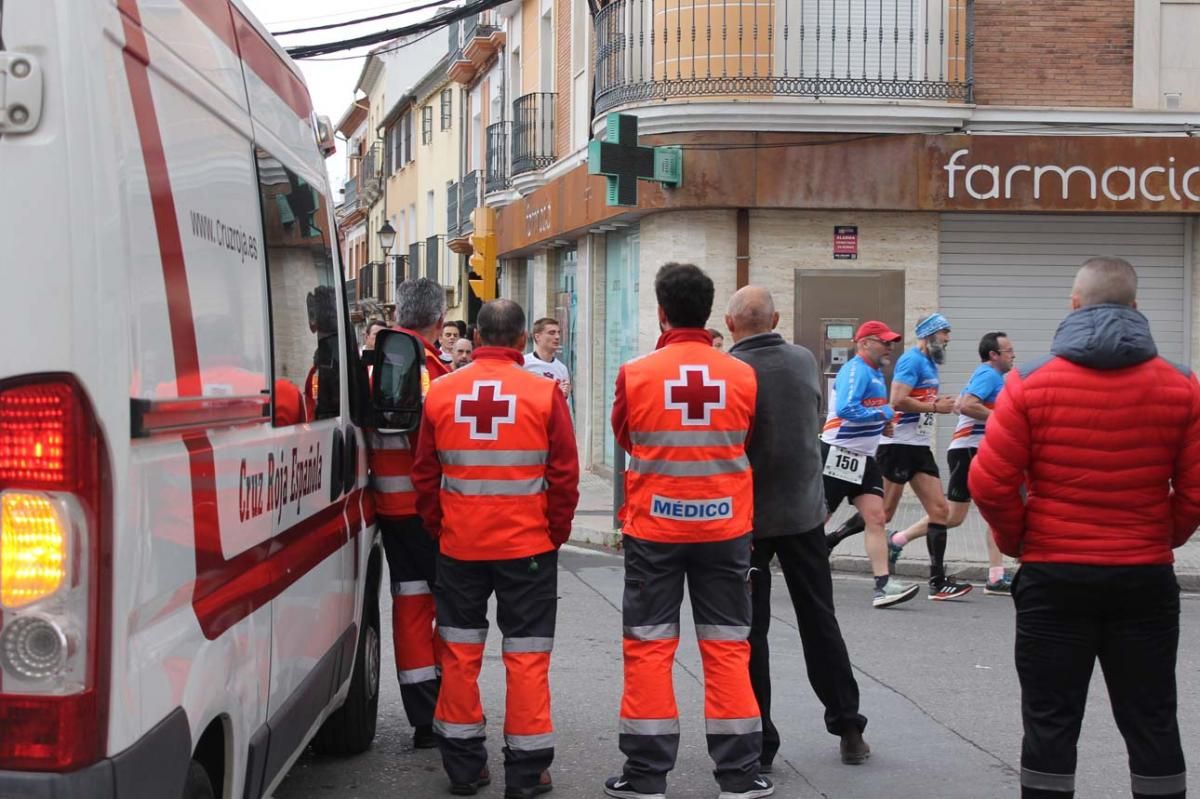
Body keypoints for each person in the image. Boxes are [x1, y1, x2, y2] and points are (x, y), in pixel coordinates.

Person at [971, 257, 1200, 799]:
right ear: (1137, 308)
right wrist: (1160, 536)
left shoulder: (1026, 383)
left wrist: (1018, 540)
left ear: (1073, 305)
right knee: (1152, 719)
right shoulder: (1183, 386)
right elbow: (1194, 491)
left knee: (1050, 722)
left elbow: (989, 482)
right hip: (1144, 578)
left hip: (1054, 576)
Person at [606, 263, 773, 799]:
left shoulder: (636, 373)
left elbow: (628, 438)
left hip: (654, 529)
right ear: (710, 313)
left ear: (661, 311)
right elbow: (746, 438)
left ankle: (646, 776)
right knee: (728, 647)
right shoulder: (743, 374)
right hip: (725, 530)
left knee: (650, 647)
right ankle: (740, 775)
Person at [412, 299, 580, 799]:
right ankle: (527, 773)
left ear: (479, 336)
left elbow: (424, 473)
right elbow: (565, 475)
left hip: (460, 546)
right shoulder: (544, 393)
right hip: (527, 546)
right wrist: (555, 531)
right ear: (521, 338)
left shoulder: (441, 392)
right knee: (526, 655)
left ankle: (464, 768)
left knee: (460, 652)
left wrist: (440, 525)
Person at [726, 286, 870, 770]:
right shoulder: (805, 360)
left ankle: (761, 744)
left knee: (752, 631)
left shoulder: (730, 371)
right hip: (804, 512)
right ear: (777, 318)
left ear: (730, 326)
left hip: (747, 518)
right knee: (818, 617)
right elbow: (810, 418)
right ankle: (849, 725)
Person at [367, 278, 451, 751]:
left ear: (398, 313)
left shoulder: (371, 367)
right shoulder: (433, 371)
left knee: (410, 604)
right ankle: (448, 707)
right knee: (452, 610)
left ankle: (422, 717)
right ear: (438, 320)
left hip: (389, 508)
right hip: (430, 511)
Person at [901, 332, 1017, 595]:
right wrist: (1002, 419)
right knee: (954, 516)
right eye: (1008, 350)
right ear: (994, 355)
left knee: (990, 510)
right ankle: (898, 539)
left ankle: (996, 576)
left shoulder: (994, 377)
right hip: (969, 451)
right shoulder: (988, 374)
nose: (1013, 355)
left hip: (979, 451)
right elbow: (967, 406)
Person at [820, 321, 921, 609]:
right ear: (863, 343)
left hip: (863, 459)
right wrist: (887, 411)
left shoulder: (877, 373)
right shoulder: (856, 369)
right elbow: (847, 409)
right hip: (838, 455)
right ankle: (787, 567)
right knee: (817, 521)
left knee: (876, 518)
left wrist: (882, 426)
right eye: (884, 341)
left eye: (891, 342)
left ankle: (883, 585)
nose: (890, 346)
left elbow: (866, 412)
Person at [875, 313, 973, 600]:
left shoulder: (930, 363)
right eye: (945, 333)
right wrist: (936, 408)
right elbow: (898, 401)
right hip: (897, 447)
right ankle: (830, 541)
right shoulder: (911, 360)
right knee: (883, 513)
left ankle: (938, 582)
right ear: (930, 334)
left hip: (918, 447)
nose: (948, 339)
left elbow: (923, 400)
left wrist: (942, 404)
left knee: (940, 511)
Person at [523, 317, 571, 397]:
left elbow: (564, 405)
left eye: (558, 333)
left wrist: (563, 396)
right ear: (537, 337)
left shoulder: (562, 369)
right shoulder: (523, 363)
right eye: (552, 333)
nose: (557, 337)